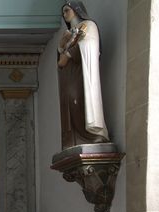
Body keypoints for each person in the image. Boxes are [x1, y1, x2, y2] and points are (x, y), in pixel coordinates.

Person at [57, 1, 109, 149]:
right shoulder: (68, 32)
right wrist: (62, 46)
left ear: (76, 9)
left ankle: (91, 135)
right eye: (63, 12)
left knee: (76, 97)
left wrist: (68, 53)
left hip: (82, 72)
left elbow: (89, 45)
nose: (64, 15)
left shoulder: (88, 25)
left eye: (67, 10)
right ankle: (74, 138)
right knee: (68, 100)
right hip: (68, 74)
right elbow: (60, 57)